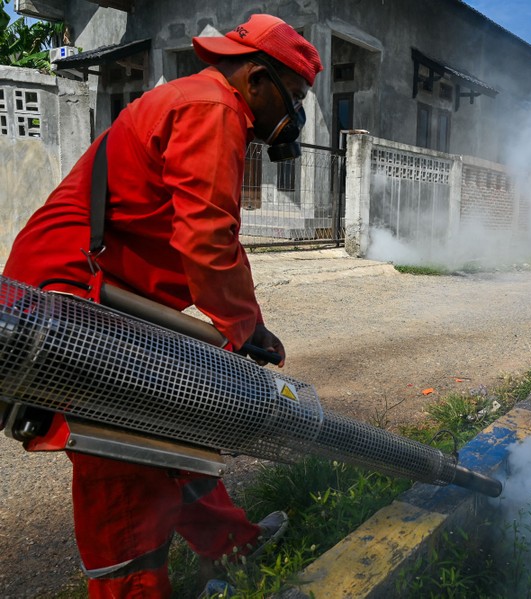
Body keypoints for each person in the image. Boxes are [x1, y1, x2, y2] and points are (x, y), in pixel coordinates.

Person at [2, 14, 322, 597]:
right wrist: (244, 328)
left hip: (108, 294)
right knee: (121, 457)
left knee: (174, 421)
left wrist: (251, 322)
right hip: (73, 294)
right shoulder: (214, 108)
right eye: (295, 97)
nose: (294, 116)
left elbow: (212, 230)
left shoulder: (202, 102)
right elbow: (206, 240)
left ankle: (230, 547)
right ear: (257, 78)